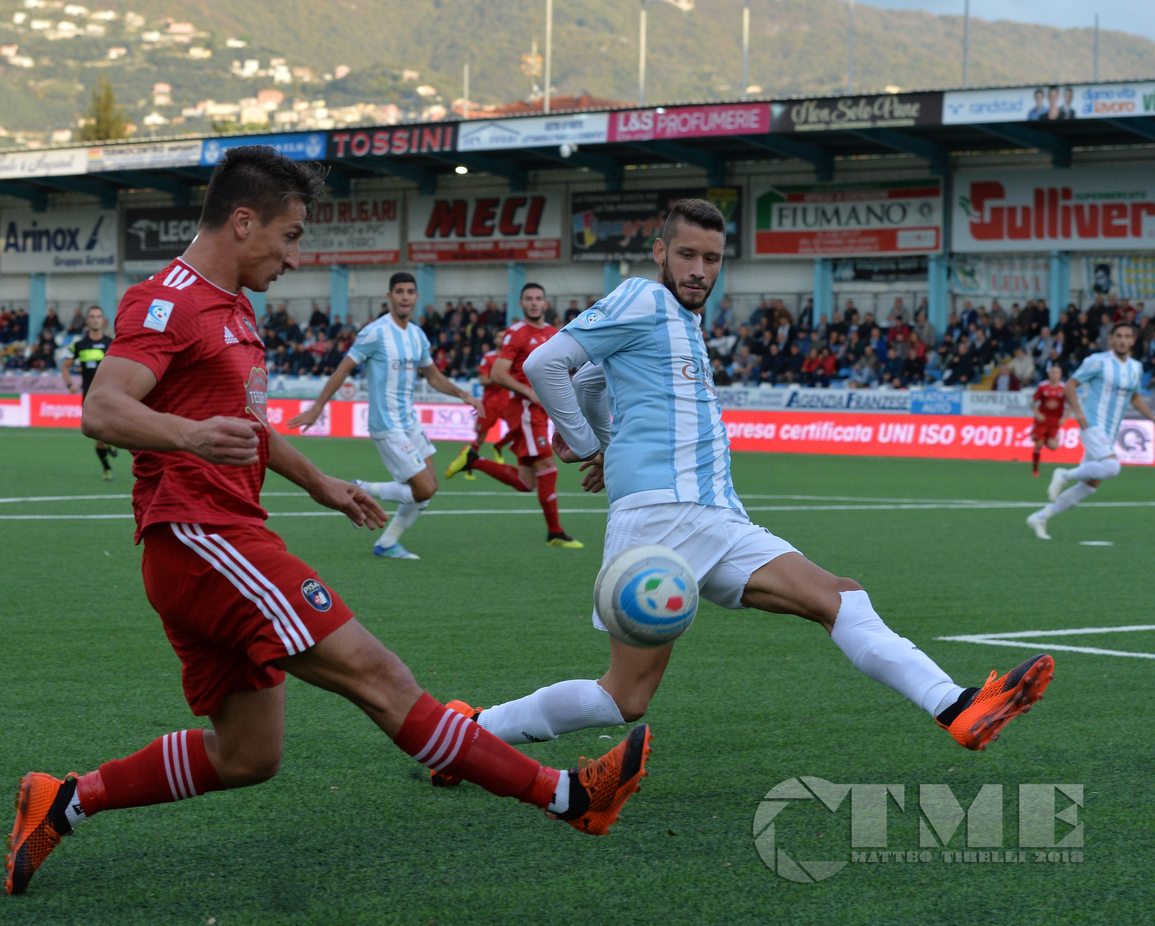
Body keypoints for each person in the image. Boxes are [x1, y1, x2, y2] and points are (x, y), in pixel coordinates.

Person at [4, 146, 649, 896]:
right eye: (290, 235)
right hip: (202, 536)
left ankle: (63, 800)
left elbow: (250, 427)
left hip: (210, 542)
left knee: (248, 754)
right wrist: (188, 436)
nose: (296, 257)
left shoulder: (235, 306)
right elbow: (103, 406)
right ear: (242, 222)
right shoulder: (169, 300)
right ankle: (569, 798)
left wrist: (321, 483)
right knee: (381, 677)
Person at [431, 198, 1053, 769]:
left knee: (838, 596)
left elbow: (592, 383)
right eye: (687, 255)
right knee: (625, 697)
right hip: (661, 519)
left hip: (716, 516)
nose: (700, 270)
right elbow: (547, 365)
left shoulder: (680, 320)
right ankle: (470, 735)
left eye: (712, 259)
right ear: (660, 253)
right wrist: (592, 444)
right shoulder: (641, 298)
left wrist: (605, 437)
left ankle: (957, 706)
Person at [289, 272, 483, 560]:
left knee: (429, 488)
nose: (405, 296)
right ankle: (360, 489)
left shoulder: (417, 335)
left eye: (410, 292)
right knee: (424, 489)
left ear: (417, 298)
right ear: (389, 296)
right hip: (386, 425)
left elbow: (433, 376)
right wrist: (318, 408)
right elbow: (343, 369)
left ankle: (388, 543)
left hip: (409, 422)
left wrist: (464, 395)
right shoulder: (375, 332)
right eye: (399, 291)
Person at [450, 284, 583, 548]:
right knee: (549, 469)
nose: (534, 303)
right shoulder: (515, 333)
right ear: (521, 304)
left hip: (540, 412)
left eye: (538, 299)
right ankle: (555, 533)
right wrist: (529, 392)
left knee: (526, 481)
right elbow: (498, 373)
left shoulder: (553, 333)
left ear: (545, 303)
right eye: (529, 299)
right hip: (524, 409)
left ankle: (474, 459)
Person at [1028, 322, 1155, 538]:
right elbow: (1070, 385)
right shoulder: (1098, 361)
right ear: (1111, 339)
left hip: (1109, 432)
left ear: (1133, 340)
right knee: (1112, 466)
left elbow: (1135, 396)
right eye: (1118, 336)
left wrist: (1151, 417)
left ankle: (1040, 517)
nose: (1122, 340)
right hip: (1092, 424)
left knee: (1090, 485)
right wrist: (1078, 412)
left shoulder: (1136, 367)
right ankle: (1064, 474)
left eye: (1127, 336)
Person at [60, 304, 120, 480]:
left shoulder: (112, 343)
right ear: (87, 321)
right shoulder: (79, 345)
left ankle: (111, 444)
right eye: (92, 316)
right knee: (99, 437)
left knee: (110, 429)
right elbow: (65, 366)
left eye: (98, 316)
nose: (95, 319)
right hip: (89, 396)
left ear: (103, 320)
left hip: (110, 393)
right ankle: (107, 467)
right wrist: (70, 384)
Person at [444, 342, 509, 480]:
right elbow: (483, 380)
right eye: (499, 336)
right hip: (490, 404)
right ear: (496, 340)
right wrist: (500, 377)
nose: (502, 339)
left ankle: (498, 446)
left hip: (507, 403)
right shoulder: (489, 357)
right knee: (480, 437)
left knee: (520, 427)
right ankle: (468, 465)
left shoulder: (511, 357)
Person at [1029, 365, 1067, 478]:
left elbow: (1072, 404)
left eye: (1057, 373)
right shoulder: (1042, 386)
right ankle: (1035, 470)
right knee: (1038, 445)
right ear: (1049, 374)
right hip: (1042, 420)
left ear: (1060, 375)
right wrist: (1037, 414)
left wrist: (1065, 417)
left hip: (1055, 422)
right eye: (1053, 372)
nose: (1055, 375)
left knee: (1053, 446)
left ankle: (1044, 439)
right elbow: (1032, 402)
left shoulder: (1064, 388)